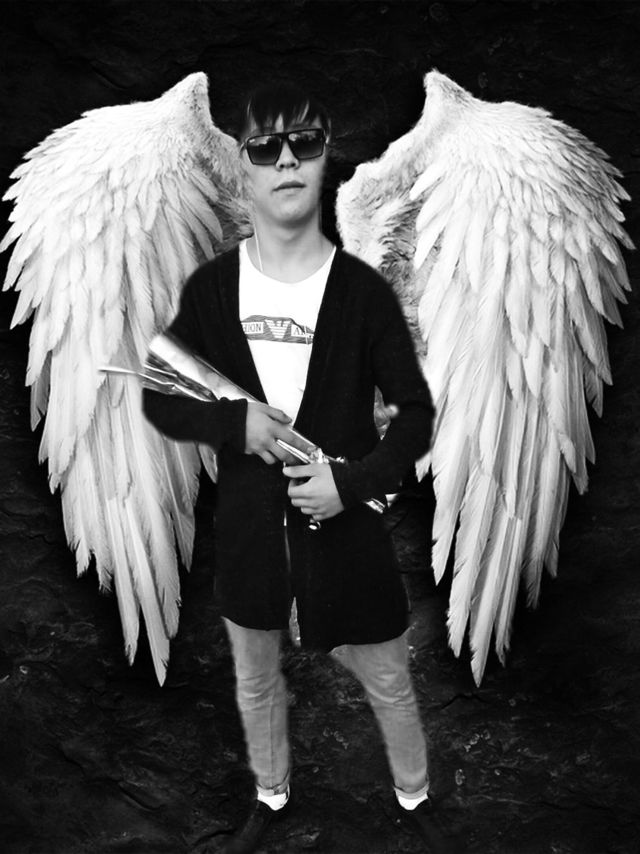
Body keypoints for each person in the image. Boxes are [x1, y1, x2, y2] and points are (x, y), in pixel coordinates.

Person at [143, 83, 452, 854]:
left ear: (324, 160)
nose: (286, 161)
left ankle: (415, 801)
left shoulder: (363, 293)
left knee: (389, 681)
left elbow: (417, 415)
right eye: (265, 148)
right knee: (256, 682)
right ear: (243, 169)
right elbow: (159, 393)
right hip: (250, 539)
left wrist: (350, 484)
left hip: (348, 540)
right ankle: (271, 796)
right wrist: (233, 424)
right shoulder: (212, 289)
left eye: (304, 144)